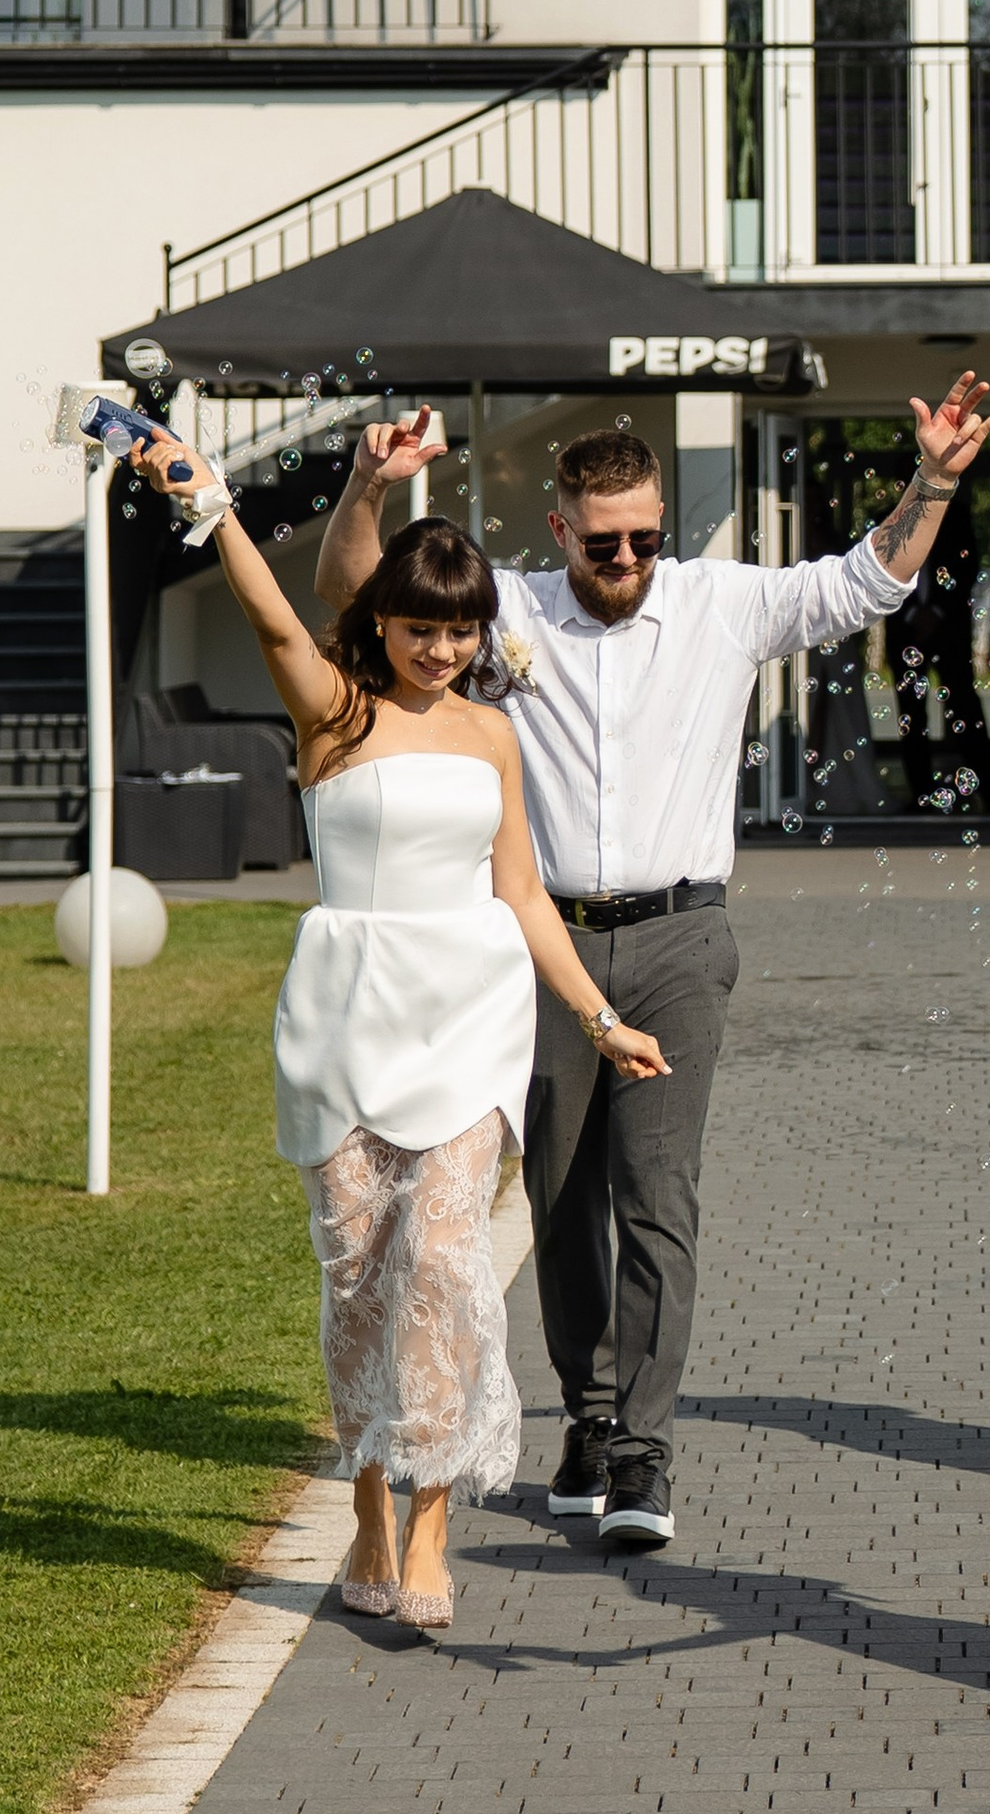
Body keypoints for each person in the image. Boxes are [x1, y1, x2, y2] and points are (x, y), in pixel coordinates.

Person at [317, 375, 990, 1557]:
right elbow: (358, 597)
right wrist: (363, 486)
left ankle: (642, 1444)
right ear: (560, 533)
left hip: (684, 935)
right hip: (541, 943)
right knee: (558, 1196)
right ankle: (586, 1420)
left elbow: (869, 576)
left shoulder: (719, 604)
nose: (627, 555)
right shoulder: (513, 614)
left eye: (643, 535)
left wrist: (935, 478)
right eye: (604, 541)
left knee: (658, 1195)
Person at [124, 433, 667, 1640]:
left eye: (463, 629)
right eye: (423, 627)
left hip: (469, 1016)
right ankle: (366, 1505)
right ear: (384, 623)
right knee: (360, 1281)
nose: (444, 649)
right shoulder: (335, 707)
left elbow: (523, 892)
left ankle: (429, 1527)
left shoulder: (490, 736)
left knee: (439, 1268)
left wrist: (600, 1015)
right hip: (346, 1012)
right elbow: (274, 621)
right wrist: (215, 510)